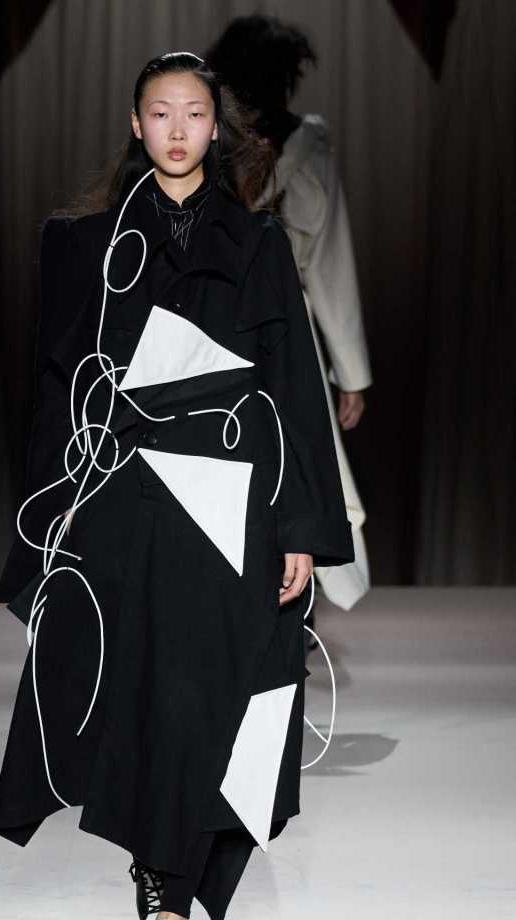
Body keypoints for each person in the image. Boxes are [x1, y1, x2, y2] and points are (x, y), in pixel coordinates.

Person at [0, 51, 354, 920]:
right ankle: (162, 910)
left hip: (229, 509)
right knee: (138, 703)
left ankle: (171, 908)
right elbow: (58, 391)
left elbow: (291, 390)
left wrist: (301, 527)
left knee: (208, 705)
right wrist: (49, 518)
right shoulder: (84, 247)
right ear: (136, 124)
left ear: (213, 126)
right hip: (120, 508)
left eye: (194, 112)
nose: (178, 129)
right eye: (161, 113)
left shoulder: (257, 244)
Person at [206, 16, 373, 618]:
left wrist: (350, 371)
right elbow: (329, 262)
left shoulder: (279, 143)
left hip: (249, 323)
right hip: (238, 322)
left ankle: (283, 601)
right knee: (266, 454)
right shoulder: (212, 140)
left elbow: (328, 259)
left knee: (274, 454)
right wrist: (350, 372)